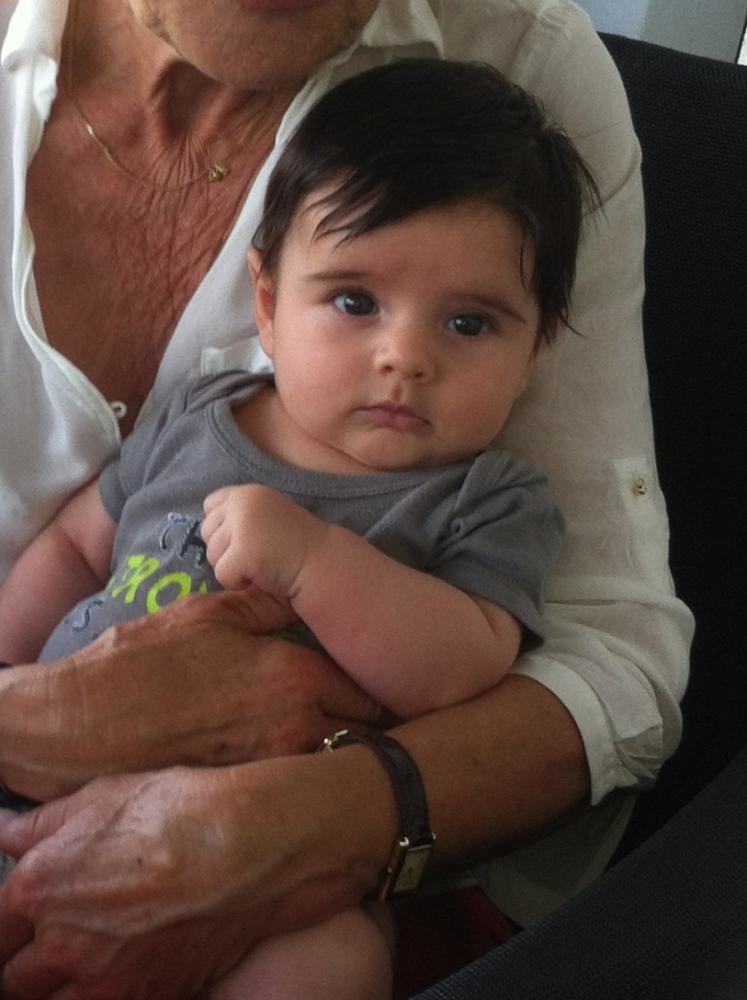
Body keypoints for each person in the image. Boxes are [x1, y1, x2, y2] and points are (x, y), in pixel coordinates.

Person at [0, 1, 693, 997]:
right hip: (36, 793)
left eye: (469, 324)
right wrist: (25, 696)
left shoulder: (483, 496)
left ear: (538, 349)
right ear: (268, 304)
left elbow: (483, 663)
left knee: (325, 961)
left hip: (282, 862)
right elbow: (76, 544)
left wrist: (316, 568)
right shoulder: (208, 414)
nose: (405, 357)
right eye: (355, 302)